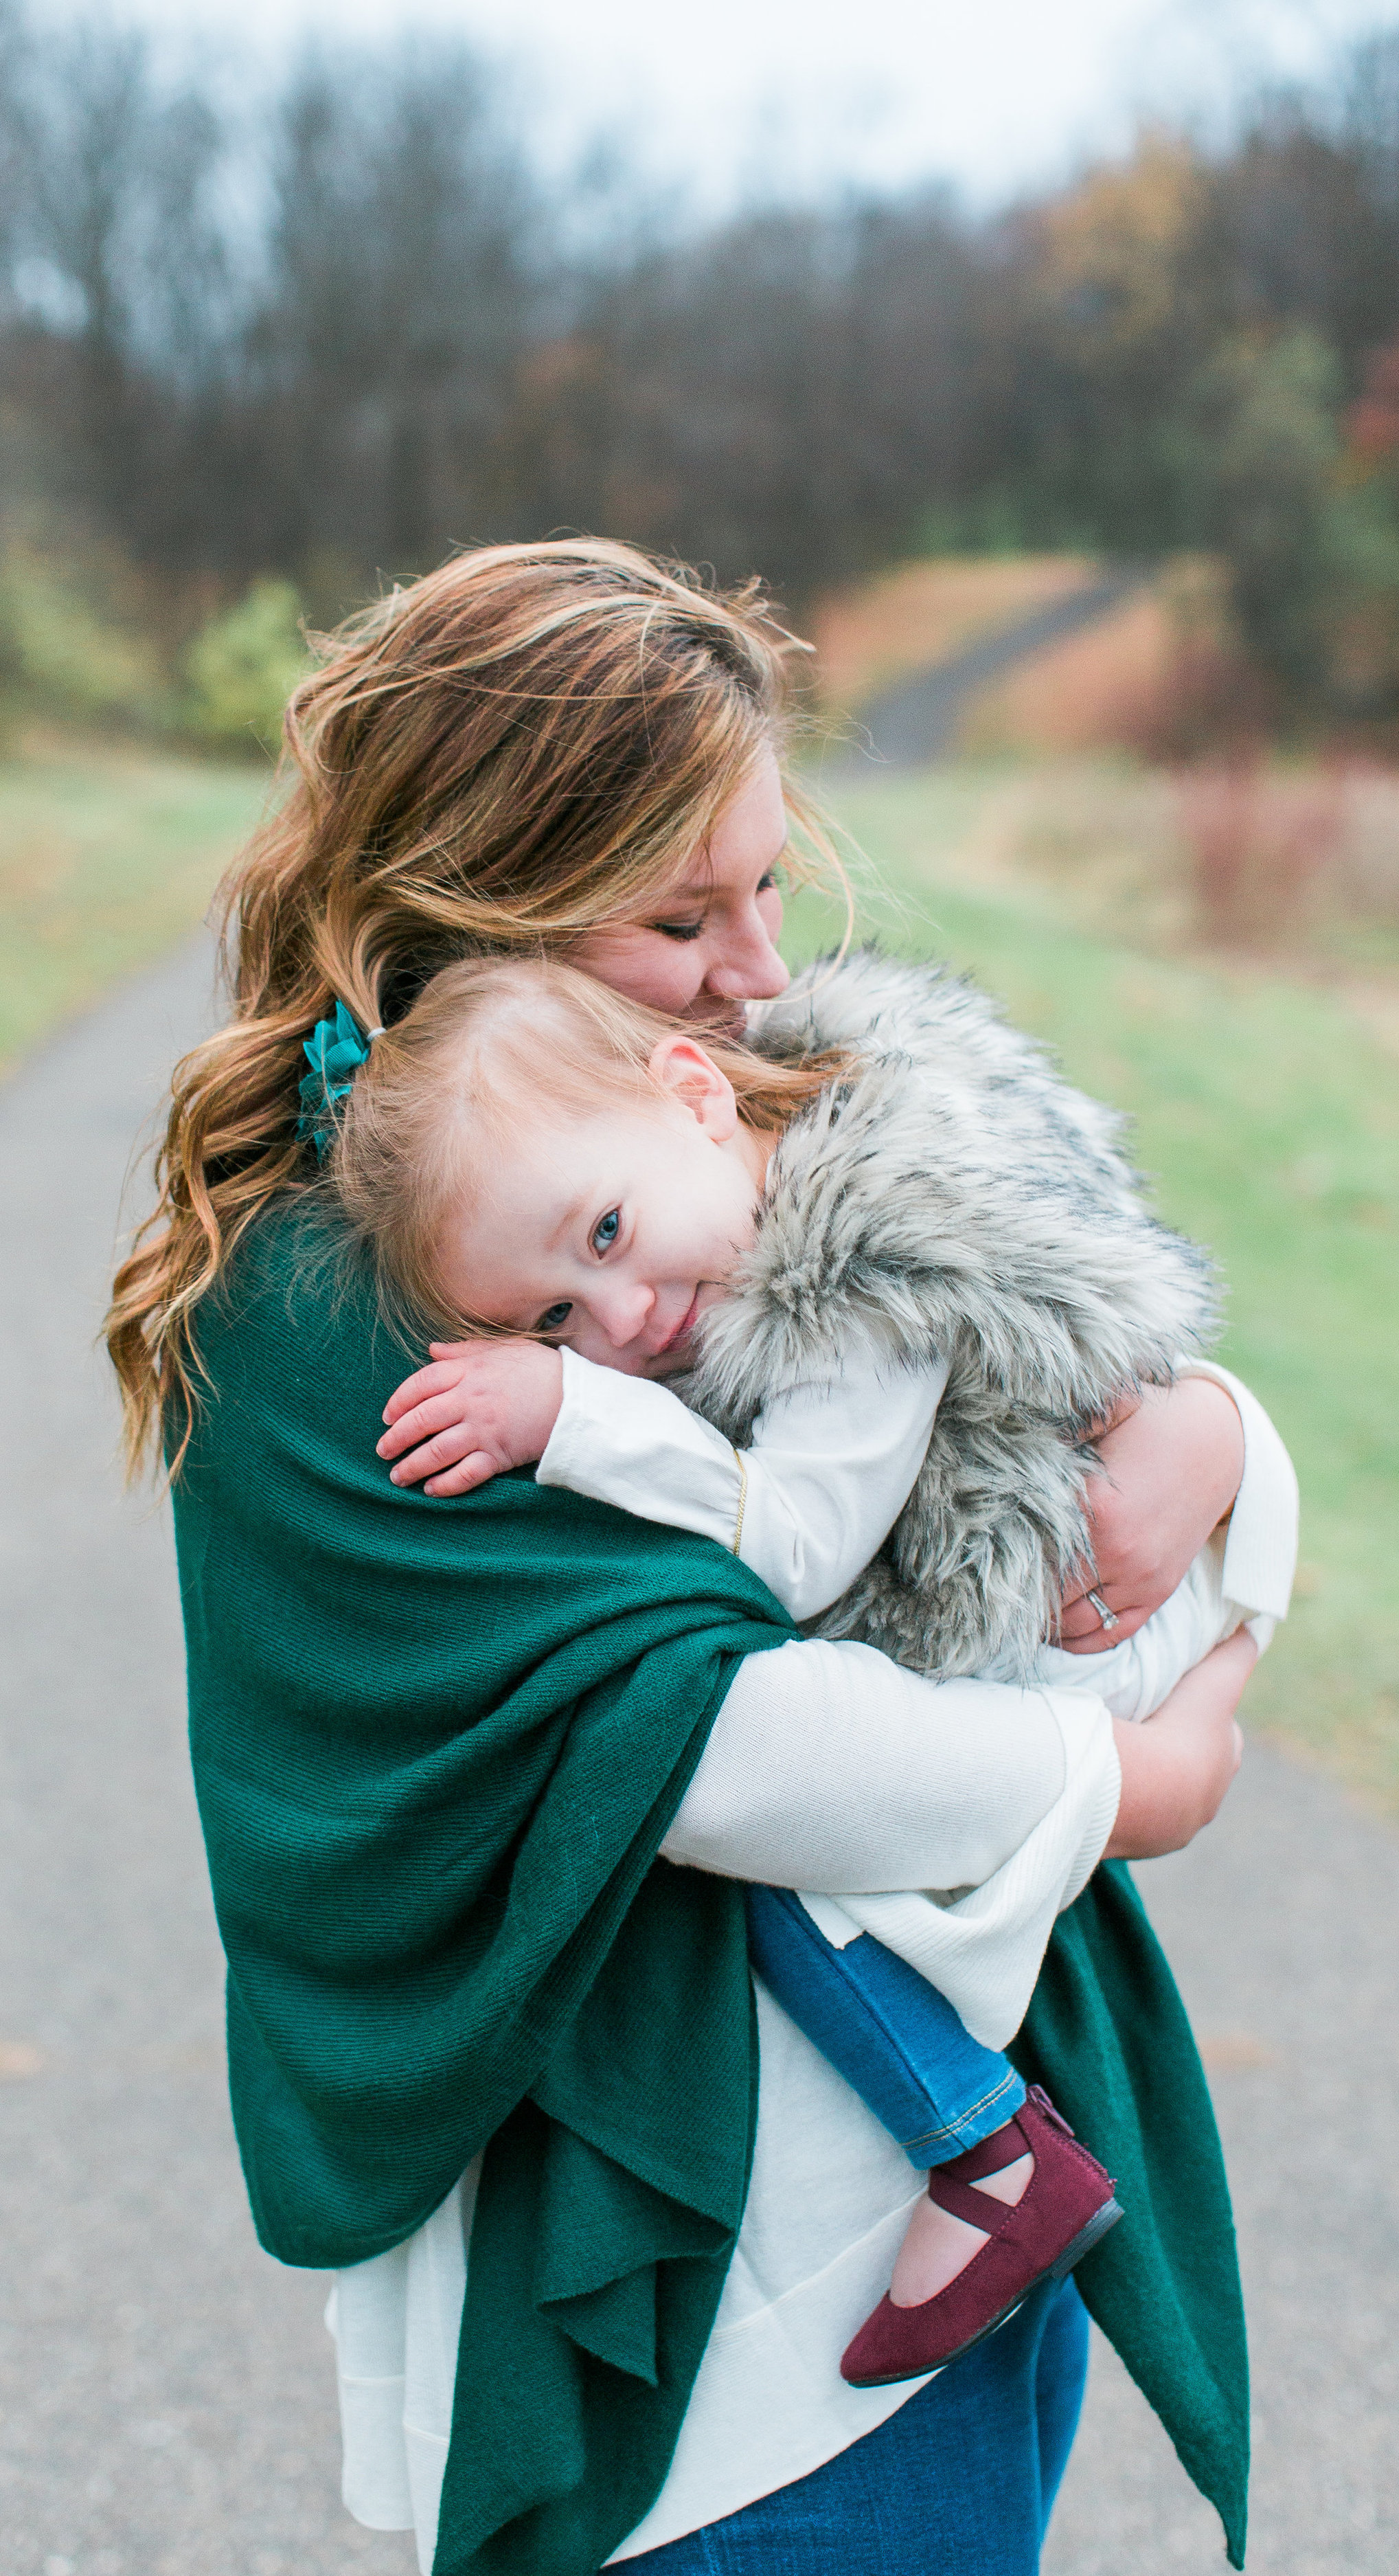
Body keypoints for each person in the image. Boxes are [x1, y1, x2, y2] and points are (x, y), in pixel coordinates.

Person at [105, 539, 1255, 2576]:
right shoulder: (354, 1281)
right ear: (483, 899)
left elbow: (1025, 1383)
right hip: (722, 2308)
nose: (751, 965)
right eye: (674, 910)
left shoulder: (691, 1121)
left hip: (964, 2207)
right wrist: (1126, 1777)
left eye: (763, 884)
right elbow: (701, 1733)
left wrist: (1224, 1447)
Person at [326, 947, 1298, 2390]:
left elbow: (787, 1555)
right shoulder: (714, 1216)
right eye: (549, 1319)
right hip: (1065, 1611)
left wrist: (569, 1413)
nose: (624, 1324)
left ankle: (978, 2143)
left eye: (602, 1236)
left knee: (741, 1785)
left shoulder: (850, 1273)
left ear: (695, 1093)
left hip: (1068, 1628)